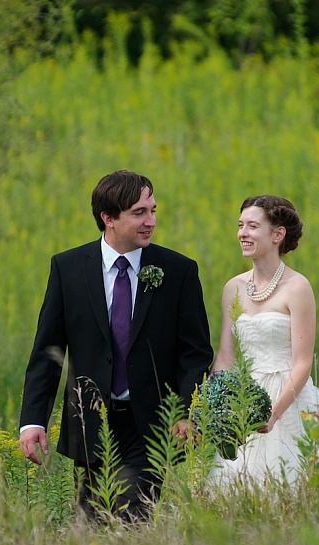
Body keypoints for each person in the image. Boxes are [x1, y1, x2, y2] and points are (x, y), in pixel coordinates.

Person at [19, 170, 213, 521]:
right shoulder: (68, 268)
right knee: (93, 521)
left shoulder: (178, 270)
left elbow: (195, 352)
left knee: (134, 520)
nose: (151, 221)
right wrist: (33, 420)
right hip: (89, 421)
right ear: (108, 218)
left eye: (153, 210)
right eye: (139, 212)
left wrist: (184, 411)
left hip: (153, 425)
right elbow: (48, 351)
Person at [207, 195, 319, 486]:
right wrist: (216, 403)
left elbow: (303, 362)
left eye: (253, 226)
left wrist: (273, 413)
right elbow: (226, 357)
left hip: (289, 398)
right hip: (247, 396)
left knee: (295, 481)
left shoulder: (297, 287)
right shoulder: (233, 288)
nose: (243, 233)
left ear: (277, 234)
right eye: (240, 225)